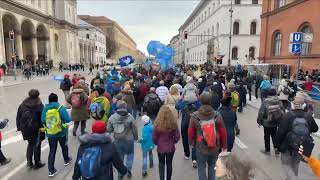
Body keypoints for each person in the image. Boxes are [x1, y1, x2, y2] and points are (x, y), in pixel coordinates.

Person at [275, 94, 318, 180]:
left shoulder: (287, 116)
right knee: (295, 165)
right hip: (302, 147)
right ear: (303, 104)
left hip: (288, 147)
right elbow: (315, 129)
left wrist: (277, 146)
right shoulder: (308, 116)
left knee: (286, 165)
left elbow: (280, 133)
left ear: (293, 104)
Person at [188, 92, 227, 180]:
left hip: (200, 145)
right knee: (212, 168)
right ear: (210, 101)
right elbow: (223, 131)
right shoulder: (217, 115)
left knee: (201, 168)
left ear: (200, 100)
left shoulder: (195, 115)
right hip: (214, 145)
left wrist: (191, 143)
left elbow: (190, 132)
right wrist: (224, 146)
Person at [41, 93, 72, 177]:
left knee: (52, 150)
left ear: (49, 100)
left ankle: (51, 170)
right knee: (64, 146)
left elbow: (43, 120)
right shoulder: (60, 108)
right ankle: (66, 160)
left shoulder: (45, 109)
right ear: (57, 100)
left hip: (51, 133)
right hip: (61, 132)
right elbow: (68, 120)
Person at [107, 100, 138, 179]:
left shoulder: (112, 117)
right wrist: (135, 137)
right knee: (130, 155)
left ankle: (120, 173)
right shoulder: (130, 117)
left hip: (117, 140)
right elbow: (134, 128)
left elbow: (109, 129)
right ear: (125, 107)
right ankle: (128, 170)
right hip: (128, 140)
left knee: (120, 157)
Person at [16, 89, 45, 169]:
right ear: (37, 95)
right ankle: (37, 163)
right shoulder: (39, 105)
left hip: (25, 129)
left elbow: (18, 116)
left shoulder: (23, 104)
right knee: (37, 145)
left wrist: (19, 127)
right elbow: (42, 118)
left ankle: (29, 162)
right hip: (36, 129)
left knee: (30, 144)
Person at [152, 105, 180, 180]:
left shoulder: (157, 124)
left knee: (161, 164)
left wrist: (157, 143)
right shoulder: (173, 123)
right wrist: (172, 141)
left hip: (160, 148)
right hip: (170, 148)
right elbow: (177, 137)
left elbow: (154, 137)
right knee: (169, 164)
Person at [257, 88, 284, 155]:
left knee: (266, 135)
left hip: (267, 122)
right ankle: (276, 149)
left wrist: (259, 121)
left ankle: (267, 150)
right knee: (274, 135)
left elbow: (261, 112)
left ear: (268, 94)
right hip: (275, 121)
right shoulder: (279, 101)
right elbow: (282, 110)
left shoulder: (265, 101)